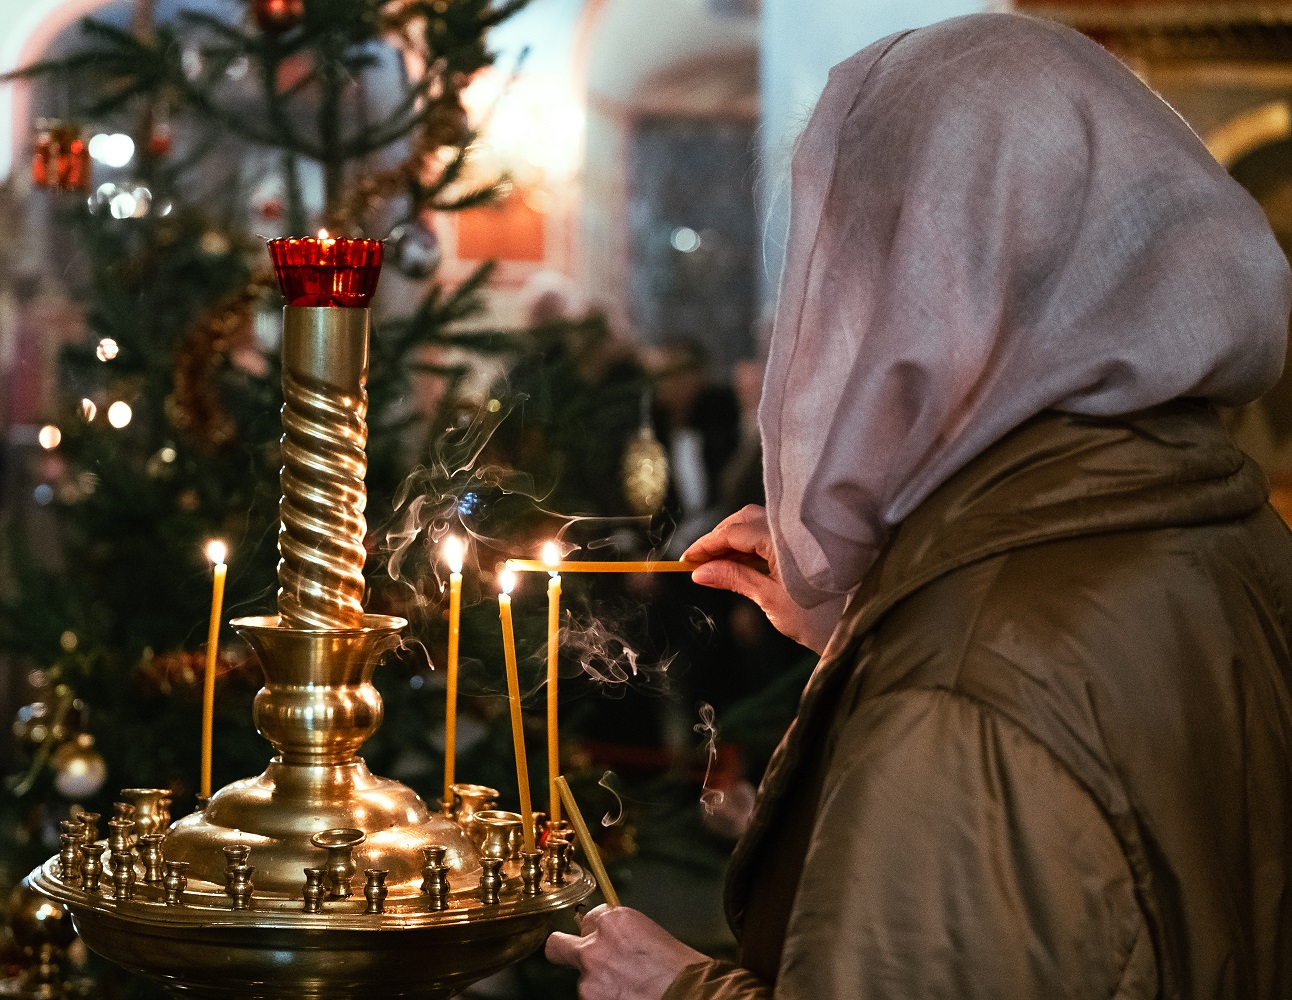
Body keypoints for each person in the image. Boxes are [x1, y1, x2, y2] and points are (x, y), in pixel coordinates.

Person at [546, 13, 1292, 1000]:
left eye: (861, 265)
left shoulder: (962, 701)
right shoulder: (1212, 520)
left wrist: (677, 989)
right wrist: (880, 623)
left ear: (937, 299)